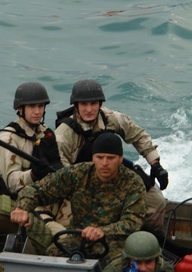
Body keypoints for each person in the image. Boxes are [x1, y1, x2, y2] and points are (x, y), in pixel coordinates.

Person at [55, 79, 169, 233]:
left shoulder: (110, 118)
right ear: (76, 106)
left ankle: (147, 240)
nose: (89, 109)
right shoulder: (63, 135)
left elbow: (138, 135)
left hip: (113, 173)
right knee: (66, 226)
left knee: (156, 202)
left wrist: (155, 164)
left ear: (100, 104)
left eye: (93, 104)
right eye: (84, 104)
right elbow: (62, 173)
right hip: (79, 185)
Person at [10, 132, 146, 261]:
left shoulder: (133, 183)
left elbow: (132, 221)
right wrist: (22, 207)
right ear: (93, 158)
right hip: (78, 237)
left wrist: (102, 231)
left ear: (120, 159)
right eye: (99, 157)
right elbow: (37, 189)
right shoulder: (78, 174)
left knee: (116, 267)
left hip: (114, 241)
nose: (105, 163)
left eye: (110, 158)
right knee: (53, 256)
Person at [0, 81, 62, 198]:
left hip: (40, 193)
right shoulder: (7, 140)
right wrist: (33, 174)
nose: (37, 112)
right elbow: (11, 184)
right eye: (32, 106)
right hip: (13, 199)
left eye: (40, 106)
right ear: (20, 109)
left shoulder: (45, 133)